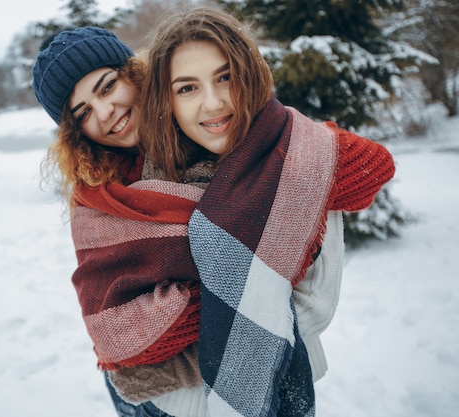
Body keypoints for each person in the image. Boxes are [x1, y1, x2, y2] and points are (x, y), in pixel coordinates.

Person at [32, 26, 345, 417]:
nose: (105, 112)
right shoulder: (97, 198)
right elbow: (112, 332)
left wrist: (202, 314)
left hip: (267, 388)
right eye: (83, 114)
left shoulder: (247, 142)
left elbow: (312, 304)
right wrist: (237, 294)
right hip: (151, 405)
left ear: (135, 72)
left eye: (107, 87)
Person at [139, 6, 396, 417]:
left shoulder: (300, 166)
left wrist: (192, 323)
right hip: (164, 405)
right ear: (165, 101)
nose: (213, 102)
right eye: (187, 88)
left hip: (276, 388)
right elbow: (124, 320)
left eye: (225, 77)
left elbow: (313, 307)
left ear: (249, 74)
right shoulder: (151, 177)